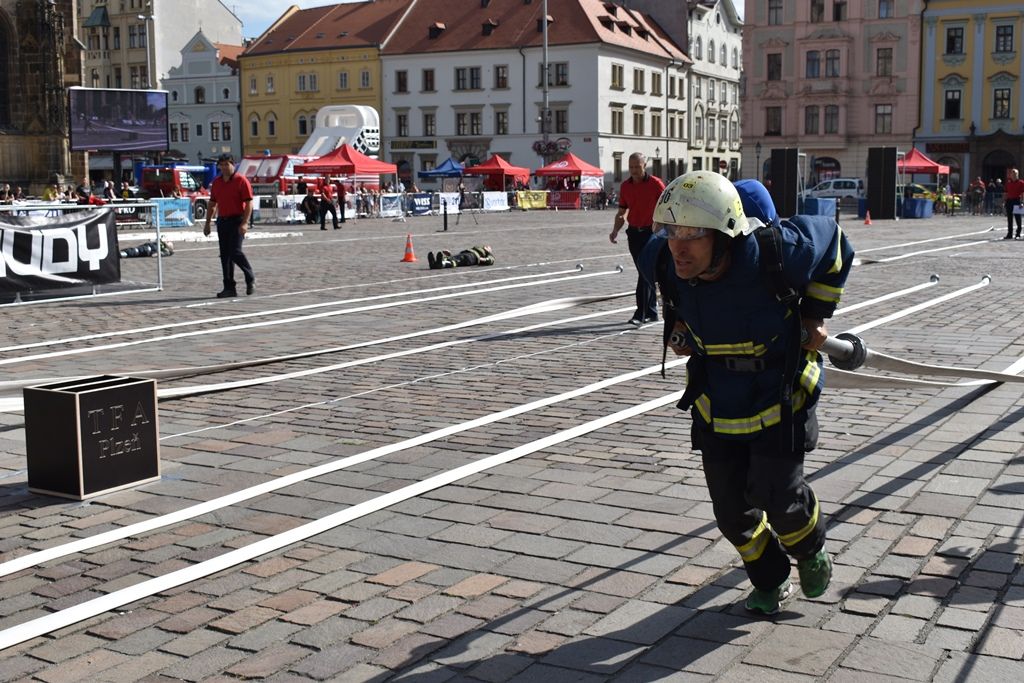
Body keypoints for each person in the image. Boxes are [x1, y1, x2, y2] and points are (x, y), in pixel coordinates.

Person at [643, 172, 854, 615]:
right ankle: (770, 579)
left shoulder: (779, 254)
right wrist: (678, 324)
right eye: (672, 230)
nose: (677, 245)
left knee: (780, 501)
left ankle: (810, 549)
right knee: (731, 513)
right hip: (717, 399)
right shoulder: (661, 257)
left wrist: (816, 314)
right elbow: (667, 286)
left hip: (780, 392)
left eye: (693, 234)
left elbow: (835, 243)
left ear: (724, 235)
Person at [610, 152, 666, 326]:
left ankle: (640, 314)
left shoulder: (656, 184)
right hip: (634, 233)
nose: (634, 170)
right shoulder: (626, 186)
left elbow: (666, 207)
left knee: (644, 271)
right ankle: (652, 312)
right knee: (645, 272)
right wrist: (615, 230)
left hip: (652, 233)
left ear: (645, 165)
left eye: (637, 166)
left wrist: (664, 229)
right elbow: (621, 212)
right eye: (631, 167)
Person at [204, 153, 256, 297]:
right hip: (223, 221)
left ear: (233, 164)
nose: (224, 167)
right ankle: (229, 287)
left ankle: (249, 276)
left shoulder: (241, 180)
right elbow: (212, 204)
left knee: (235, 251)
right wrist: (207, 223)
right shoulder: (217, 182)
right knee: (225, 255)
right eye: (221, 165)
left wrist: (245, 223)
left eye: (227, 164)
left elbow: (249, 203)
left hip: (237, 220)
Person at [427, 245, 495, 269]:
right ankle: (434, 263)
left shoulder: (488, 254)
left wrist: (485, 259)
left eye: (489, 248)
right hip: (465, 254)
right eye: (486, 246)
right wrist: (450, 254)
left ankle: (441, 264)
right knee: (452, 258)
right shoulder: (476, 249)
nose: (487, 247)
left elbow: (491, 260)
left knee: (457, 261)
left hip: (472, 257)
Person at [1004, 168, 1024, 240]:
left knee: (1018, 218)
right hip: (1009, 201)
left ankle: (1018, 234)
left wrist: (1022, 202)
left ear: (1017, 174)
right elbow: (1006, 193)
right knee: (1009, 219)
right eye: (1012, 174)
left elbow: (1023, 193)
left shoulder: (1021, 183)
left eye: (1015, 174)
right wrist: (1004, 201)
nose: (1013, 175)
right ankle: (1009, 234)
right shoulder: (1008, 183)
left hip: (1017, 201)